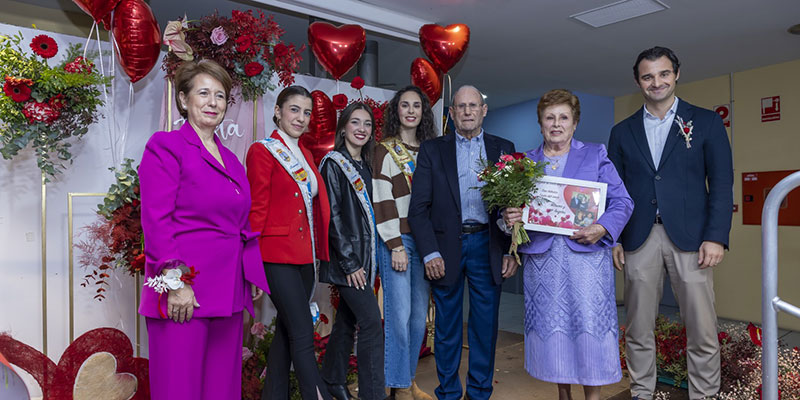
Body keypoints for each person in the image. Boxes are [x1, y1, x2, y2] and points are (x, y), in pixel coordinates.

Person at [608, 46, 733, 400]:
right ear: (638, 81)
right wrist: (613, 237)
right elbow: (613, 191)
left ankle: (704, 395)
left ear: (676, 74)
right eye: (648, 76)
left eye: (664, 74)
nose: (657, 82)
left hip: (692, 240)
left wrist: (716, 237)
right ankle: (642, 393)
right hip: (638, 237)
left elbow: (722, 183)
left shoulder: (706, 122)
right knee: (638, 328)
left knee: (702, 329)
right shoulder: (622, 131)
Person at [139, 59, 269, 400]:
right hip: (185, 291)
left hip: (227, 292)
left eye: (221, 96)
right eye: (204, 93)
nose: (213, 102)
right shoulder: (166, 146)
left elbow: (241, 224)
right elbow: (156, 222)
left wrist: (248, 274)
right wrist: (176, 283)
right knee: (179, 389)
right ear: (183, 100)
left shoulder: (231, 159)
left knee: (222, 389)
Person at [503, 89, 633, 400]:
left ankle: (593, 396)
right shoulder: (524, 162)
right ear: (541, 123)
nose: (556, 124)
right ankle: (563, 394)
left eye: (564, 117)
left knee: (588, 327)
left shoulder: (595, 154)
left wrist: (601, 227)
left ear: (575, 123)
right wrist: (510, 216)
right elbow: (505, 212)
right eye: (550, 118)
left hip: (587, 261)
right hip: (543, 262)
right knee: (554, 329)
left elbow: (623, 202)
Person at [408, 85, 518, 400]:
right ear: (452, 113)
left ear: (484, 111)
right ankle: (449, 392)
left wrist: (512, 249)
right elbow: (418, 210)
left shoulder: (503, 148)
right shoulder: (432, 150)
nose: (467, 111)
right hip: (445, 249)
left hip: (488, 245)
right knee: (447, 328)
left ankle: (480, 392)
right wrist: (429, 253)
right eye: (461, 106)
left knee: (485, 327)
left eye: (473, 106)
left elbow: (512, 206)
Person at [246, 85, 332, 400]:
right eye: (294, 109)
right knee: (301, 333)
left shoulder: (306, 154)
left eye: (306, 112)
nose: (300, 117)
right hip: (276, 255)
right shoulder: (263, 150)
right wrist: (251, 265)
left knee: (285, 335)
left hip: (306, 258)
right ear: (278, 111)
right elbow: (257, 209)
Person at [372, 85, 437, 400]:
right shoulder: (384, 150)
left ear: (423, 112)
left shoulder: (429, 150)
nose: (411, 111)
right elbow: (382, 200)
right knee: (397, 319)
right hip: (398, 241)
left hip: (424, 243)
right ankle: (397, 387)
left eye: (417, 106)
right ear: (396, 111)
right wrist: (395, 244)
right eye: (405, 105)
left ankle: (408, 380)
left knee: (416, 321)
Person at [319, 102, 385, 400]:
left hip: (367, 259)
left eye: (367, 124)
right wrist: (349, 263)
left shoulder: (367, 166)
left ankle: (332, 379)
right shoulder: (334, 164)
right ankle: (373, 395)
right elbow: (332, 217)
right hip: (350, 262)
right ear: (343, 127)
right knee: (371, 323)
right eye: (355, 123)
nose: (361, 129)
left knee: (346, 320)